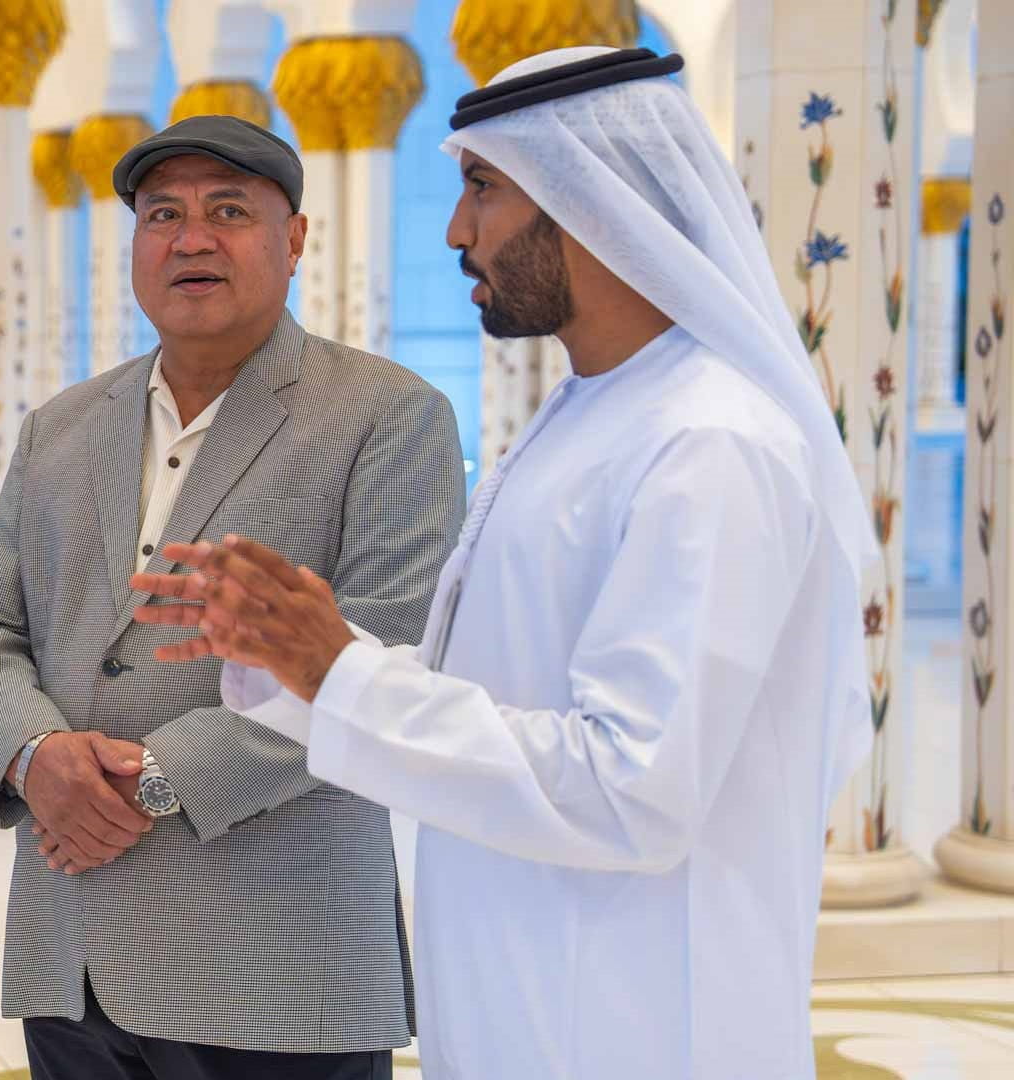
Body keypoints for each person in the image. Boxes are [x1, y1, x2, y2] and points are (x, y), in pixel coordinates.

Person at [133, 48, 876, 1080]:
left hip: (641, 1020)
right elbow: (496, 695)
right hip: (531, 990)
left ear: (588, 198)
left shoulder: (711, 443)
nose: (456, 230)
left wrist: (338, 673)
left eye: (482, 187)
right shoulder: (590, 414)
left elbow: (632, 789)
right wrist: (296, 666)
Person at [0, 114, 466, 1080]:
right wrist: (37, 755)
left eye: (228, 211)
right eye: (162, 215)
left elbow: (385, 652)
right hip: (73, 951)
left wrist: (154, 776)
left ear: (294, 239)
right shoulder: (62, 427)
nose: (191, 239)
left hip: (274, 961)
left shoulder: (388, 417)